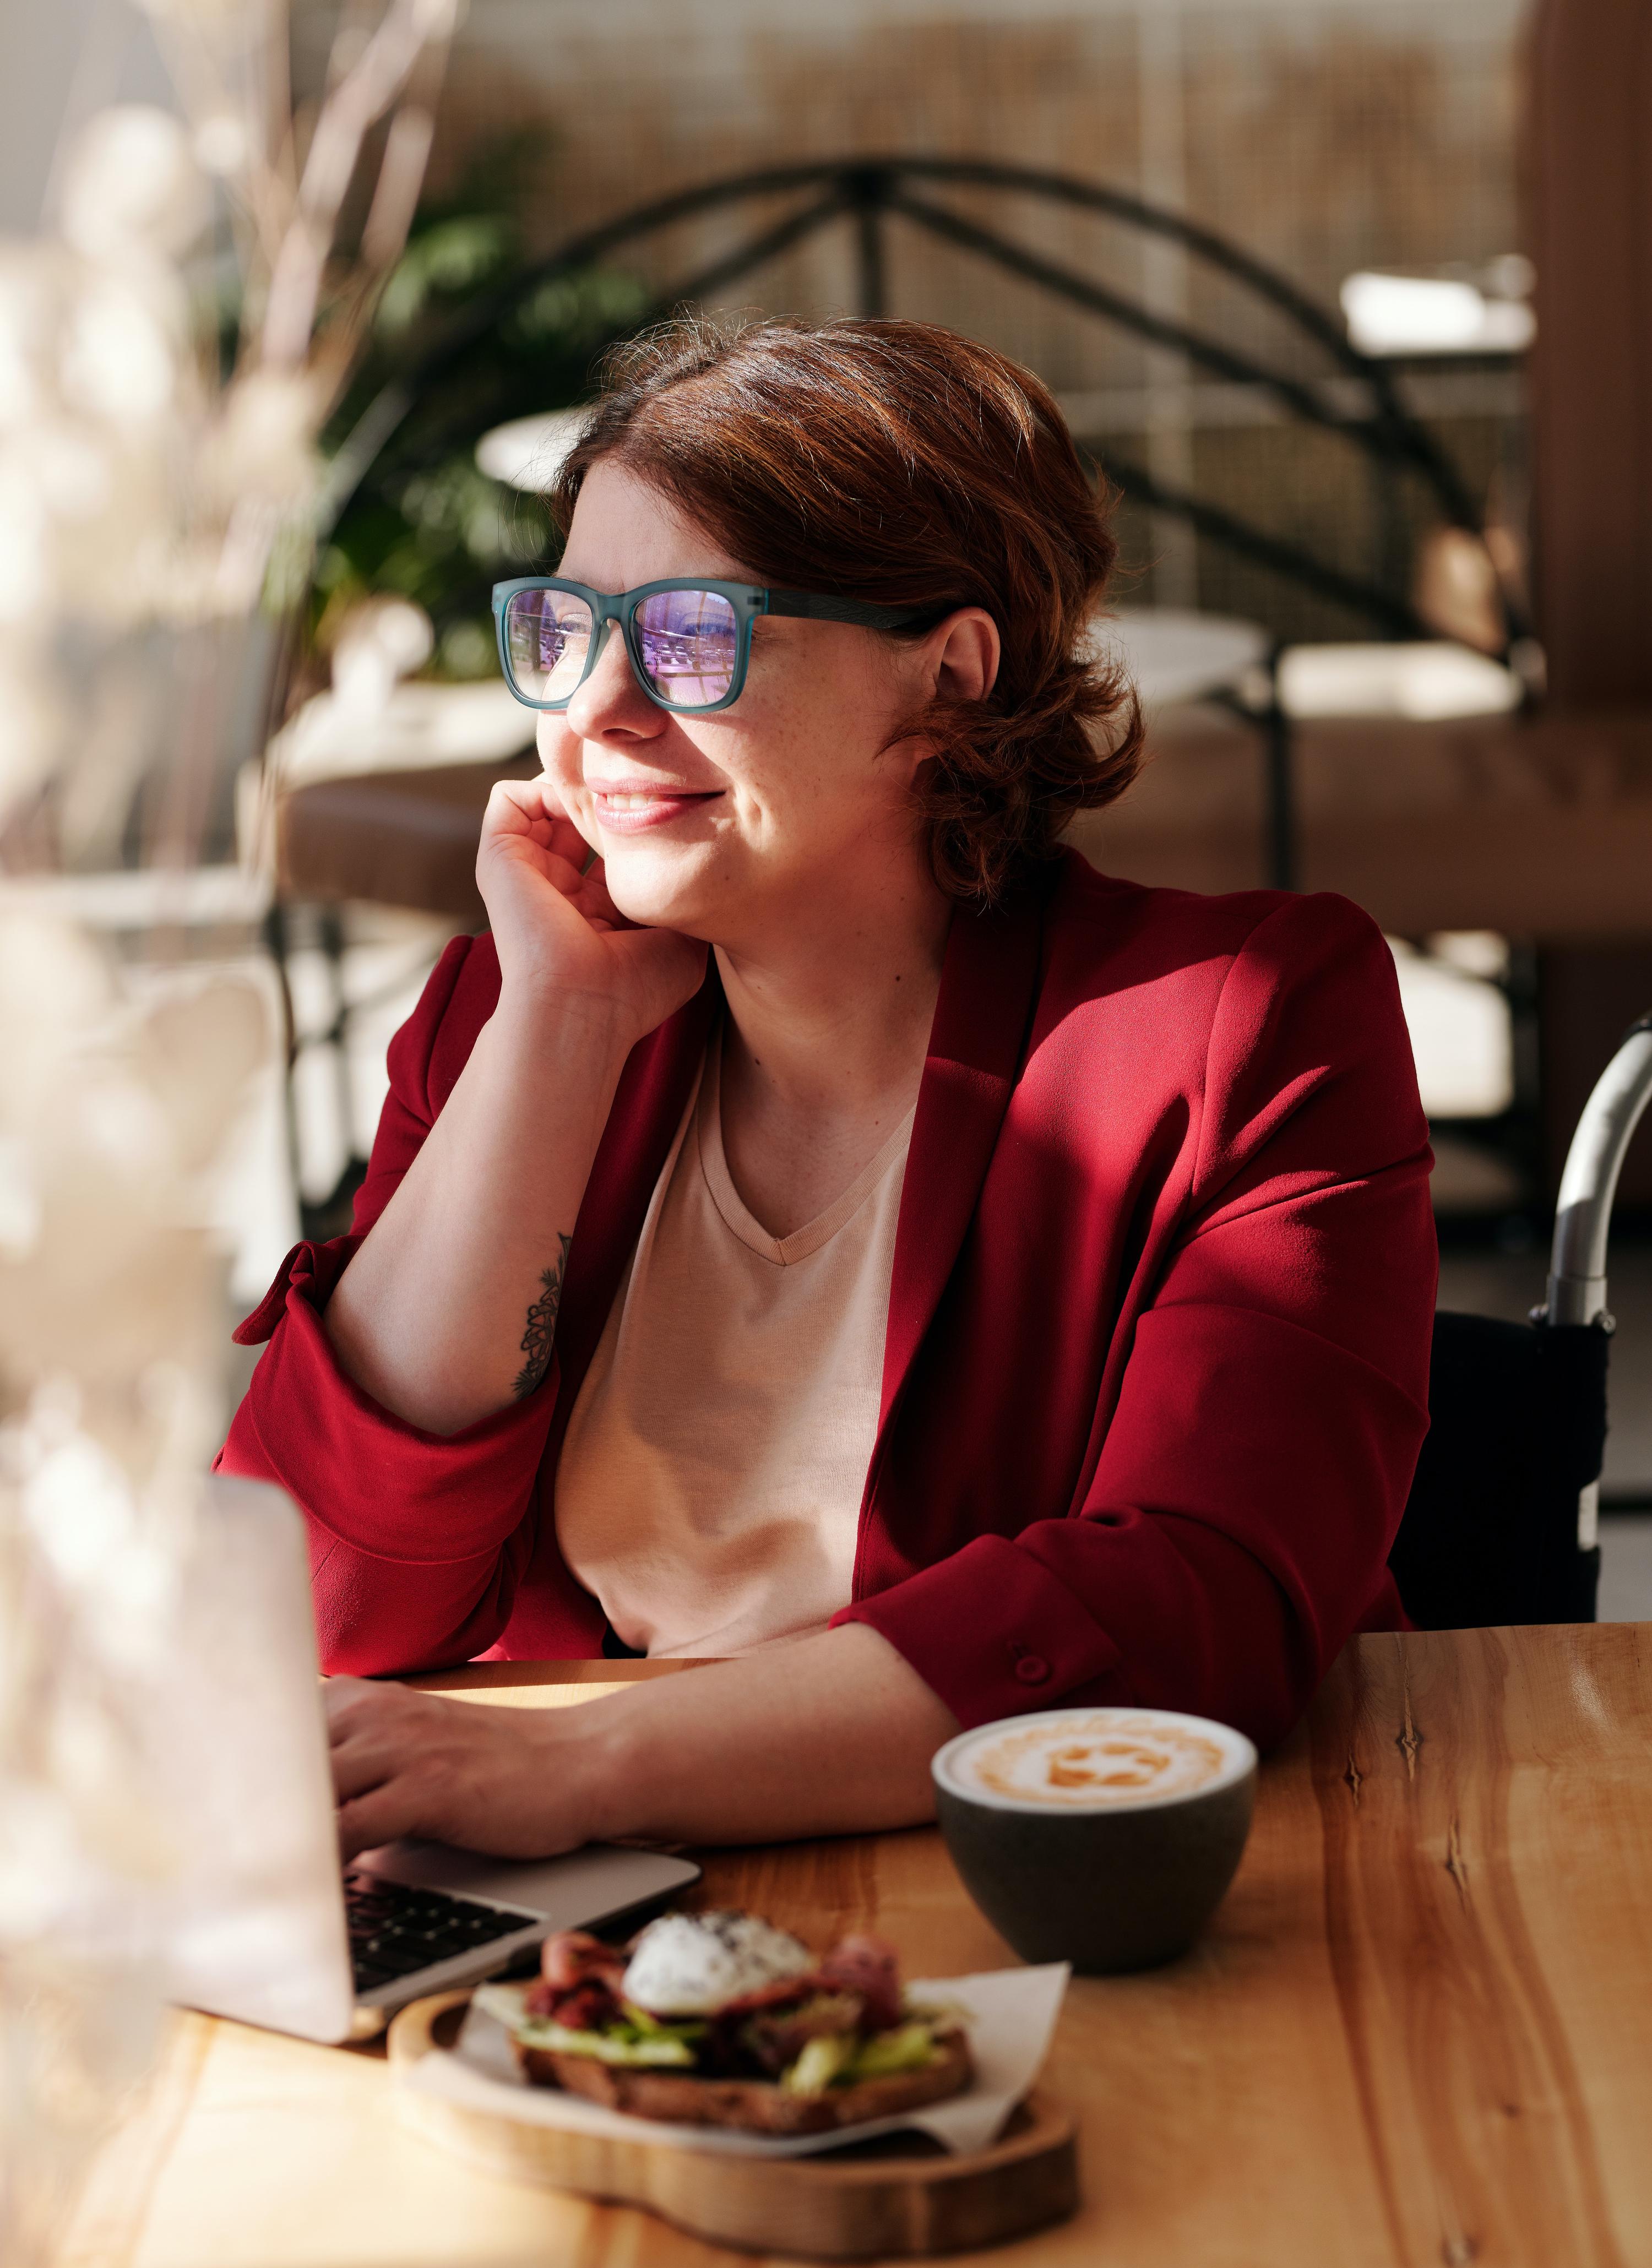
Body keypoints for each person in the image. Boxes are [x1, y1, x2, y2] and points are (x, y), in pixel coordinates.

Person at [220, 316, 1436, 1862]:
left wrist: (591, 1765)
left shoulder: (1249, 1023)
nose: (596, 710)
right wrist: (558, 1031)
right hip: (584, 1947)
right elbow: (316, 1598)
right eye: (564, 629)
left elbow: (1197, 1605)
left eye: (688, 638)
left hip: (1077, 1892)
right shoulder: (503, 1012)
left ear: (950, 675)